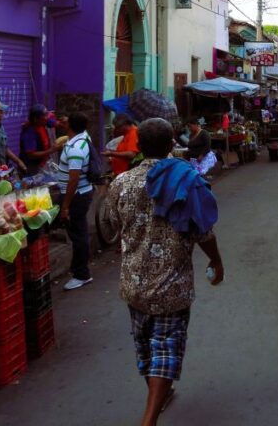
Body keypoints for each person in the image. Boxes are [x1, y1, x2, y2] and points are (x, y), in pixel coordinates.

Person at [103, 118, 224, 426]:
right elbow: (203, 231)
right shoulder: (185, 179)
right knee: (165, 349)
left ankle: (158, 397)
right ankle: (149, 419)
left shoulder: (121, 184)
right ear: (172, 144)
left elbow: (111, 227)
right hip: (172, 285)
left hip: (134, 283)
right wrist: (216, 261)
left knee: (145, 347)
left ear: (139, 147)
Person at [58, 112, 95, 291]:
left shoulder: (76, 148)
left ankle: (82, 274)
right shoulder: (82, 138)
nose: (62, 122)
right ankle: (80, 270)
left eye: (65, 120)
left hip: (76, 196)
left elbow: (73, 178)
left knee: (79, 234)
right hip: (81, 193)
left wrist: (65, 205)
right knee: (78, 232)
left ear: (70, 126)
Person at [18, 104, 59, 177]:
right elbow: (31, 155)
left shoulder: (42, 122)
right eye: (44, 117)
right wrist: (51, 150)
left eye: (46, 115)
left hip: (41, 164)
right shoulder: (30, 133)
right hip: (31, 167)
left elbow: (52, 122)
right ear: (35, 119)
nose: (46, 118)